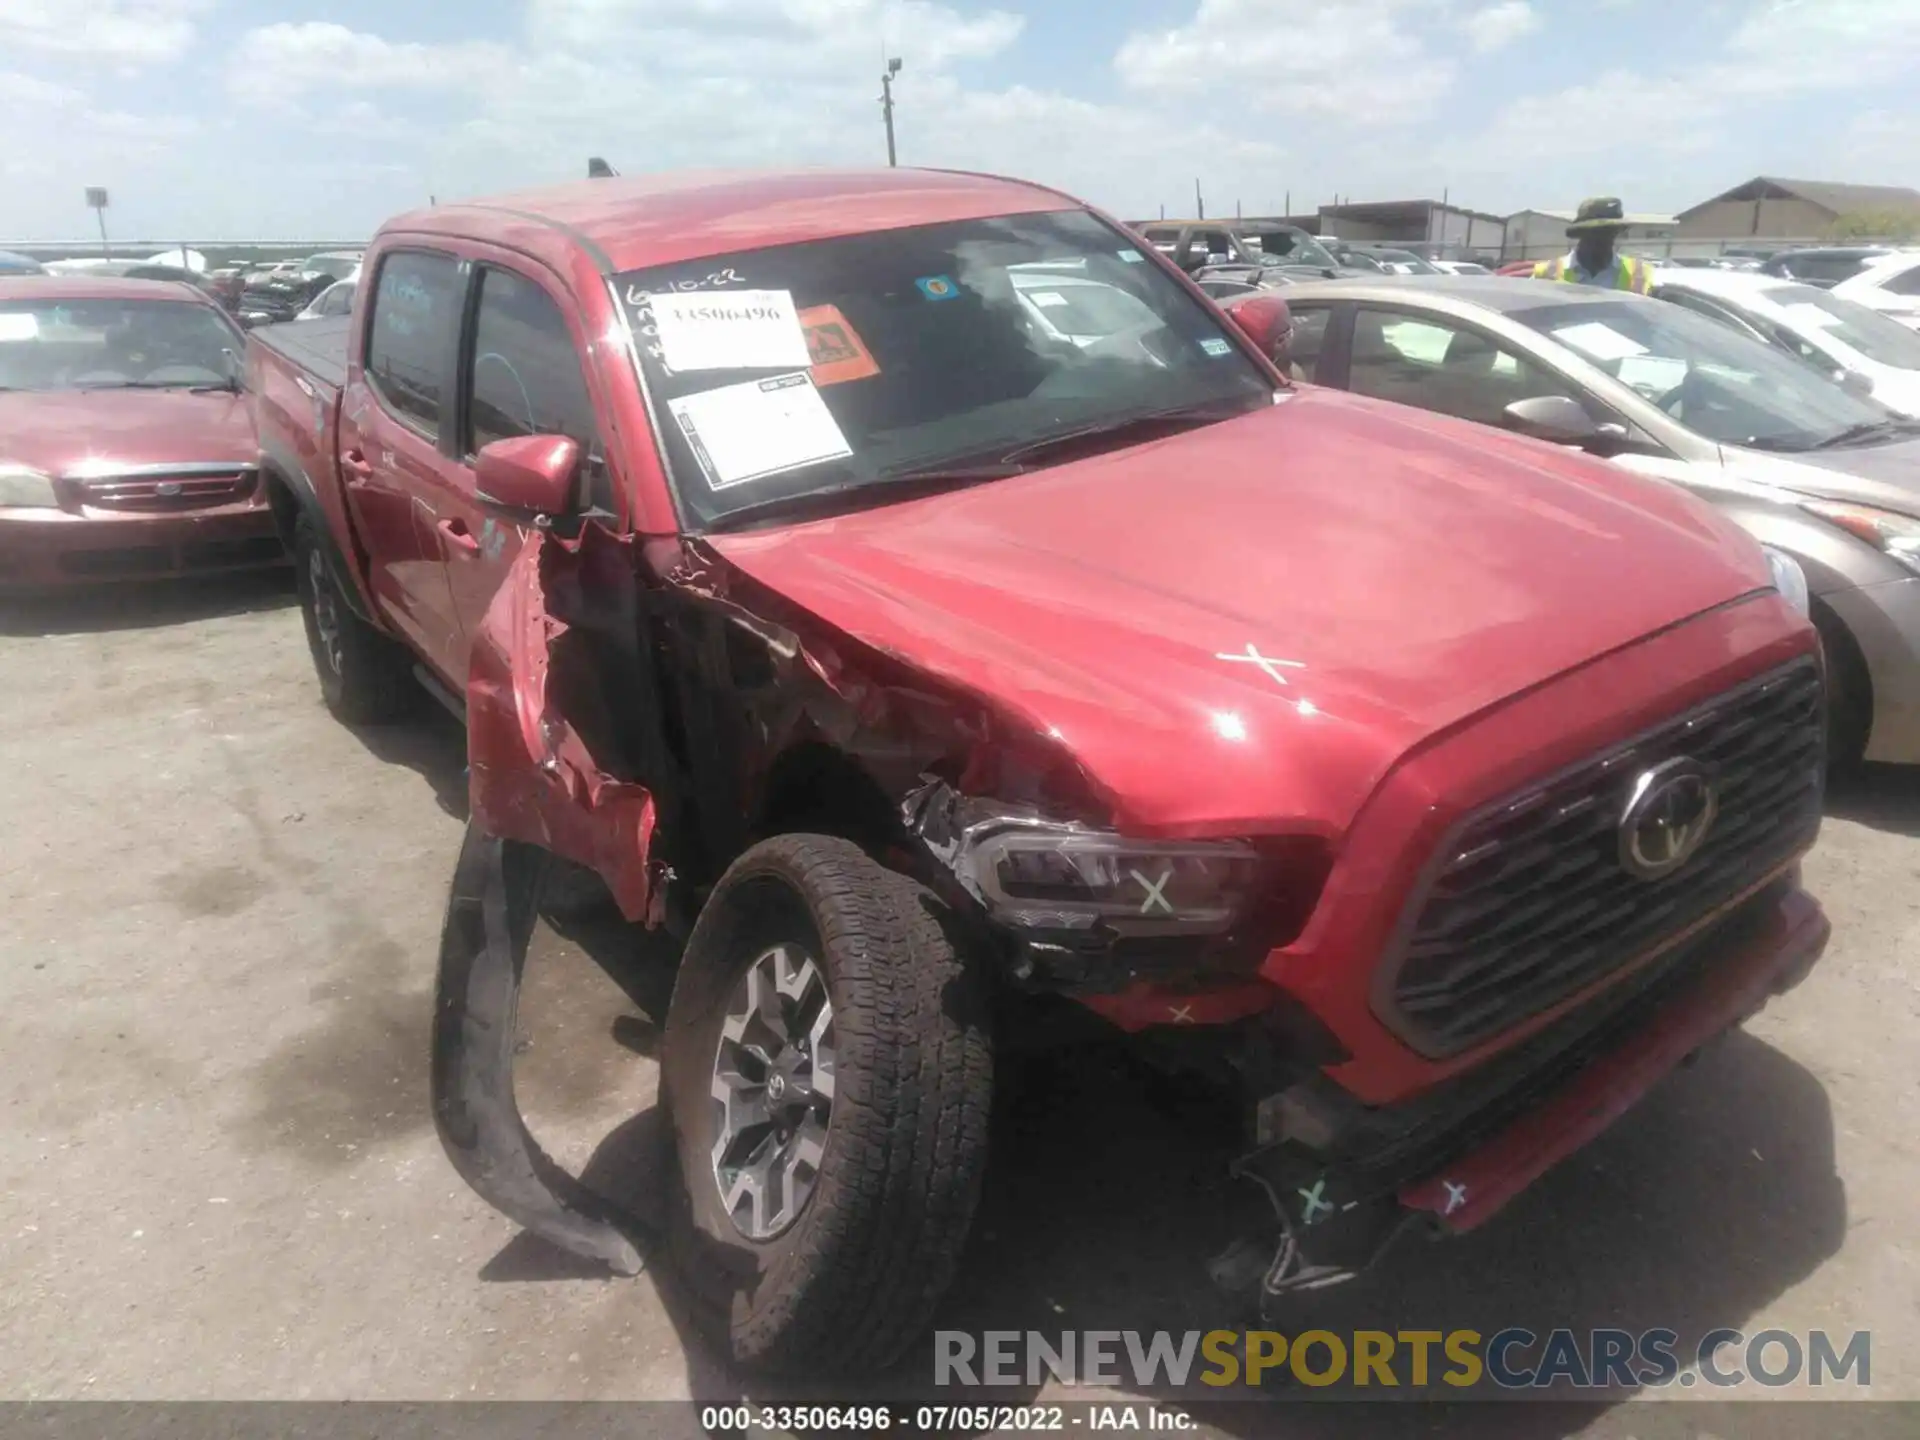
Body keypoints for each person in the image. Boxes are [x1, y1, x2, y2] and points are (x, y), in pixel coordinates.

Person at [1532, 197, 1654, 293]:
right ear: (1581, 233)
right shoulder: (1547, 274)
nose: (1603, 238)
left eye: (1610, 231)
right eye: (1596, 231)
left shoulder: (1640, 275)